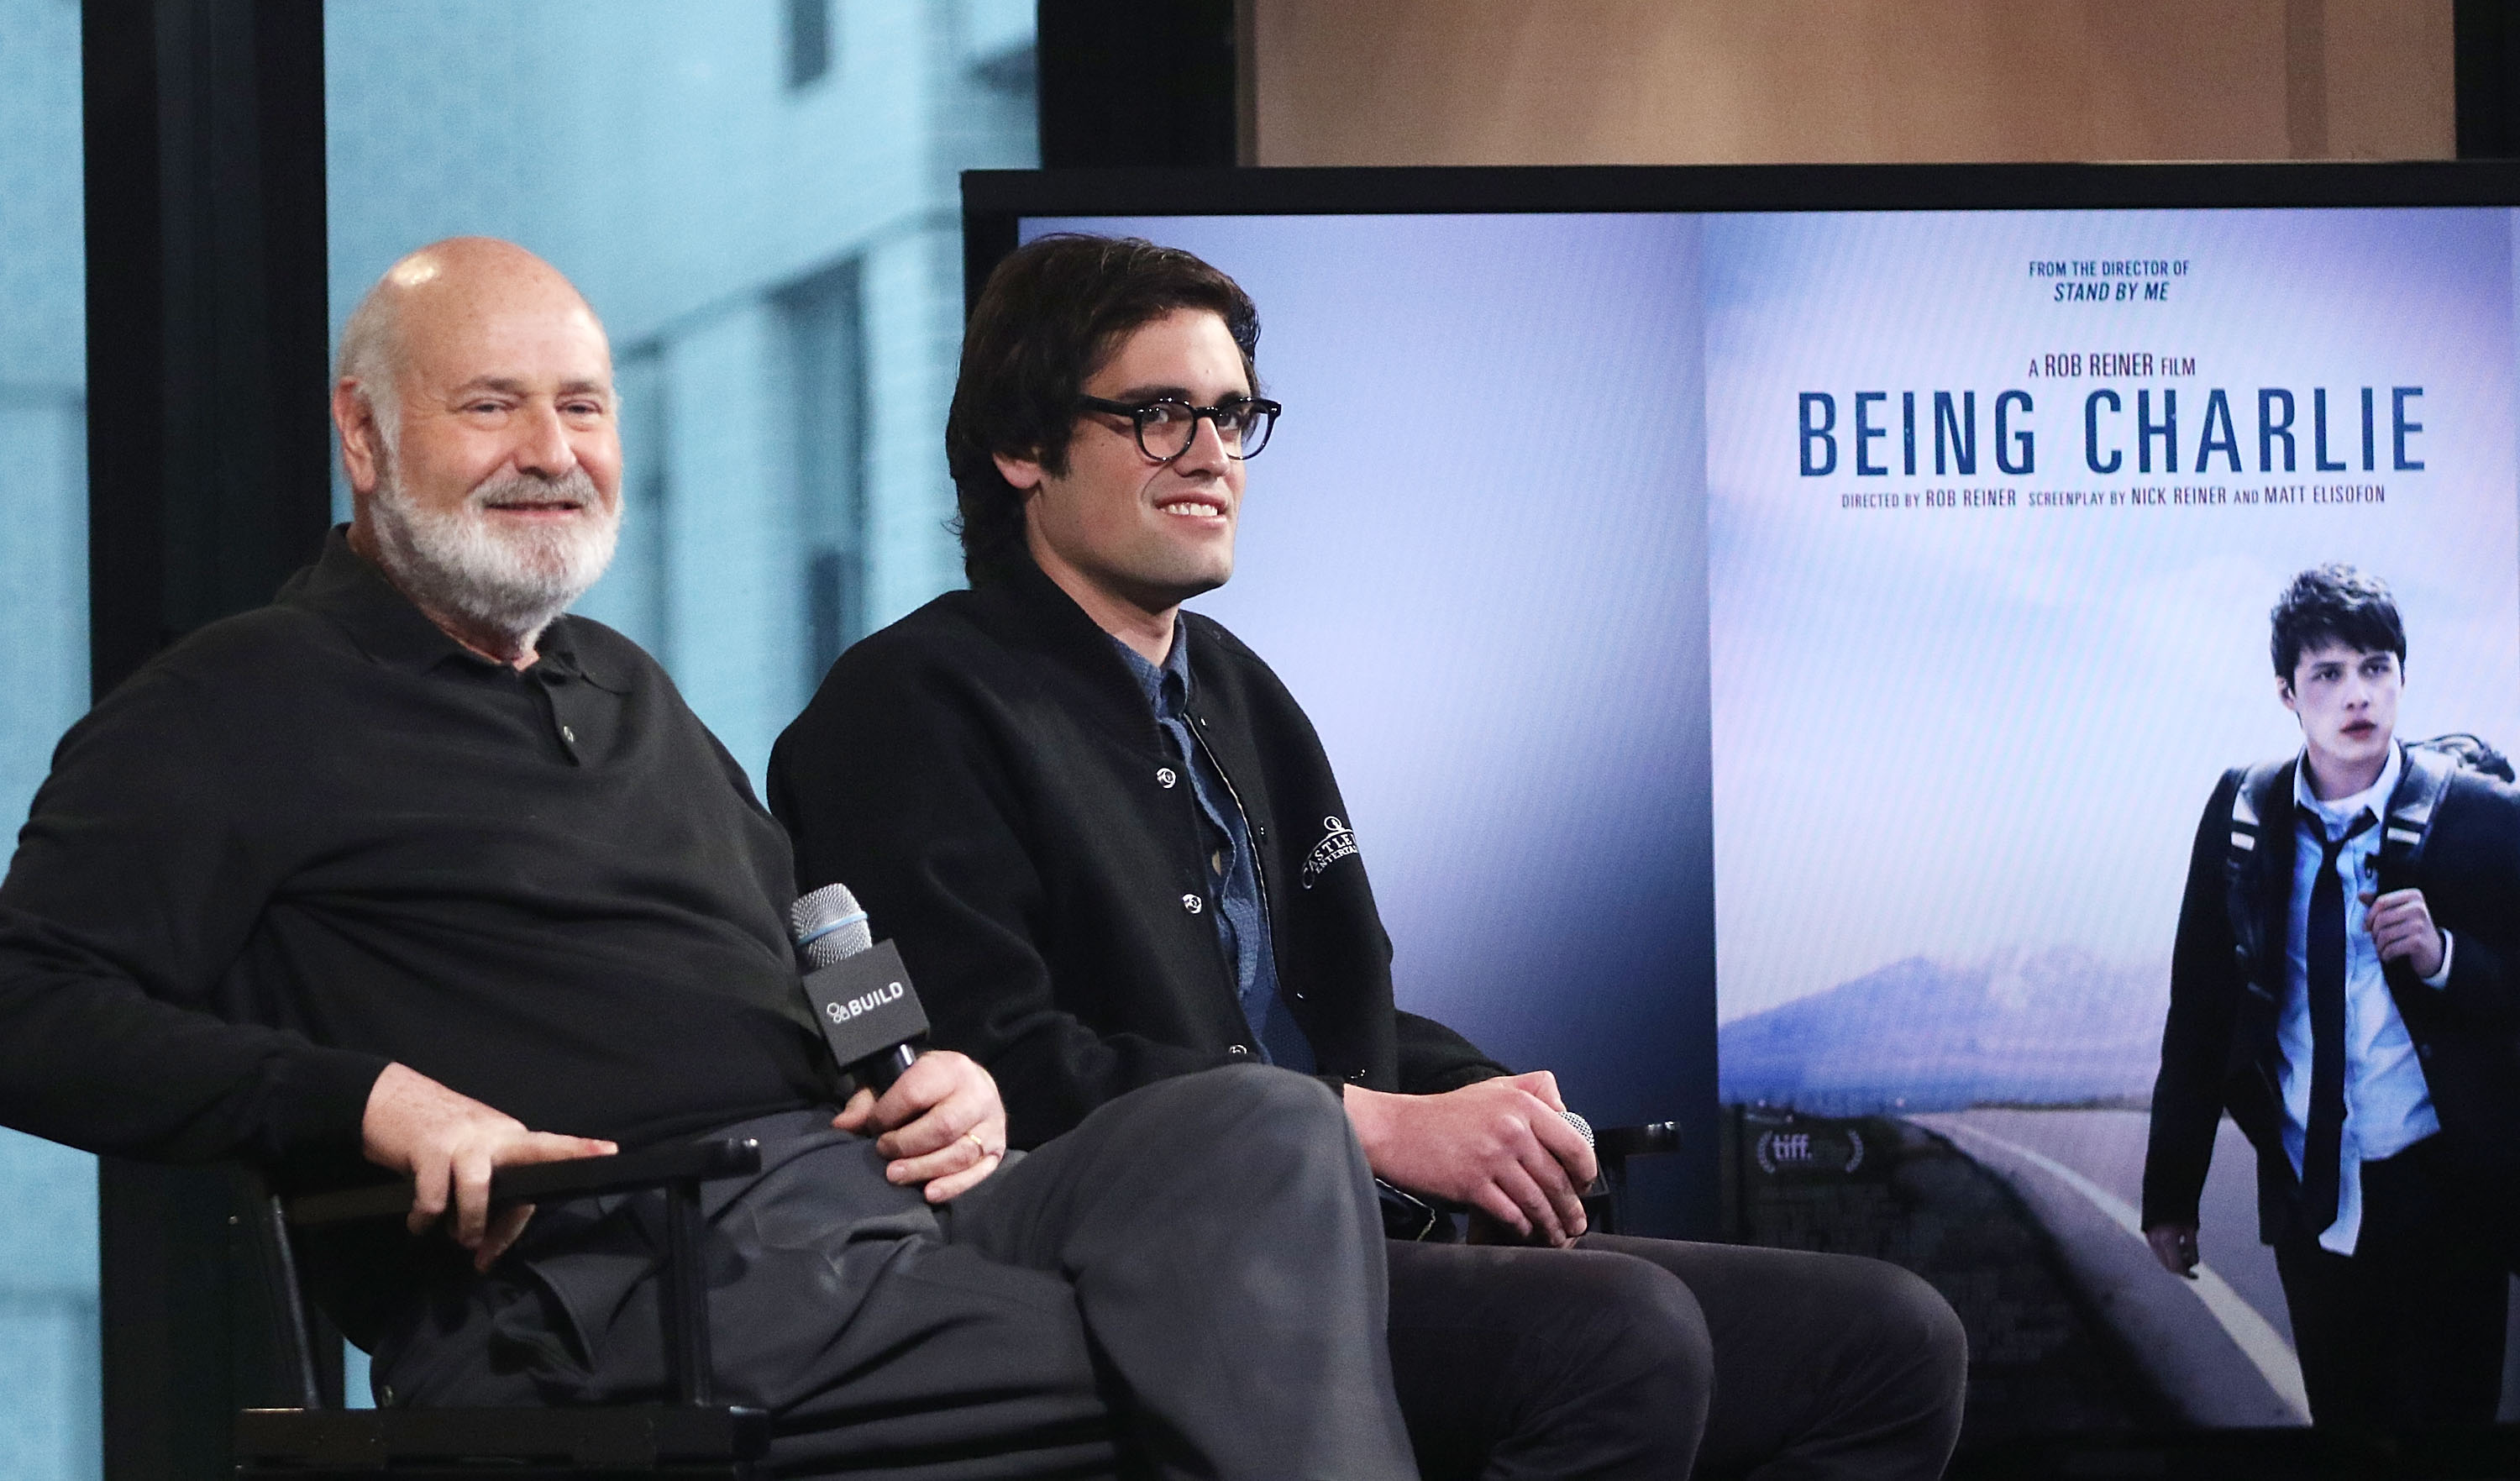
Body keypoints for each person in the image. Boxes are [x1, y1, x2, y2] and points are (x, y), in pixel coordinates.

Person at [0, 237, 1422, 1481]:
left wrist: (922, 1061)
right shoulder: (234, 703)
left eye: (586, 407)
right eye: (491, 404)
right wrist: (365, 1100)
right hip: (612, 1282)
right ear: (364, 438)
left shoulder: (622, 683)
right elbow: (27, 1005)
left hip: (864, 1219)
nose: (551, 450)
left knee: (1263, 1125)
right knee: (1221, 1330)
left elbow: (815, 921)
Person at [769, 234, 1969, 1481]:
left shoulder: (1239, 690)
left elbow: (1310, 1013)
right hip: (1175, 1266)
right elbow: (989, 1063)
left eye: (1234, 414)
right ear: (1023, 447)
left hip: (1356, 1230)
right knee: (1621, 1335)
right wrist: (1376, 1126)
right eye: (1161, 412)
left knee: (1890, 1338)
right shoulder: (904, 708)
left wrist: (1487, 1102)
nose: (1213, 455)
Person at [2143, 565, 2520, 1430]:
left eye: (2376, 667)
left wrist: (2446, 957)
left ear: (2401, 677)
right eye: (2328, 673)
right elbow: (2199, 1008)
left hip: (2448, 1189)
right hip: (2312, 1197)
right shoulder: (2243, 813)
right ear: (2287, 692)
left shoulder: (2482, 815)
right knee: (2347, 1432)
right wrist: (2171, 1193)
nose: (2358, 694)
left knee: (2452, 1438)